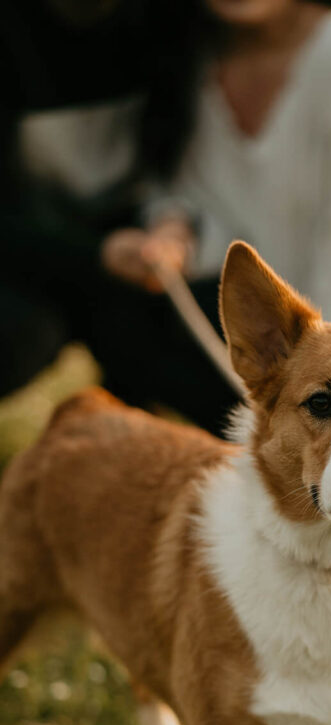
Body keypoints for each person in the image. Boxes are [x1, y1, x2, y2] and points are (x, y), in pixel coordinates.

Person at [104, 0, 331, 331]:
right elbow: (229, 219)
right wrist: (175, 235)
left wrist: (327, 385)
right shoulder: (191, 57)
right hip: (271, 344)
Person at [0, 0, 240, 434]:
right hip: (24, 255)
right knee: (24, 337)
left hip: (139, 251)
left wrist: (172, 223)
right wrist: (96, 254)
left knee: (210, 356)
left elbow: (181, 163)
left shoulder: (171, 23)